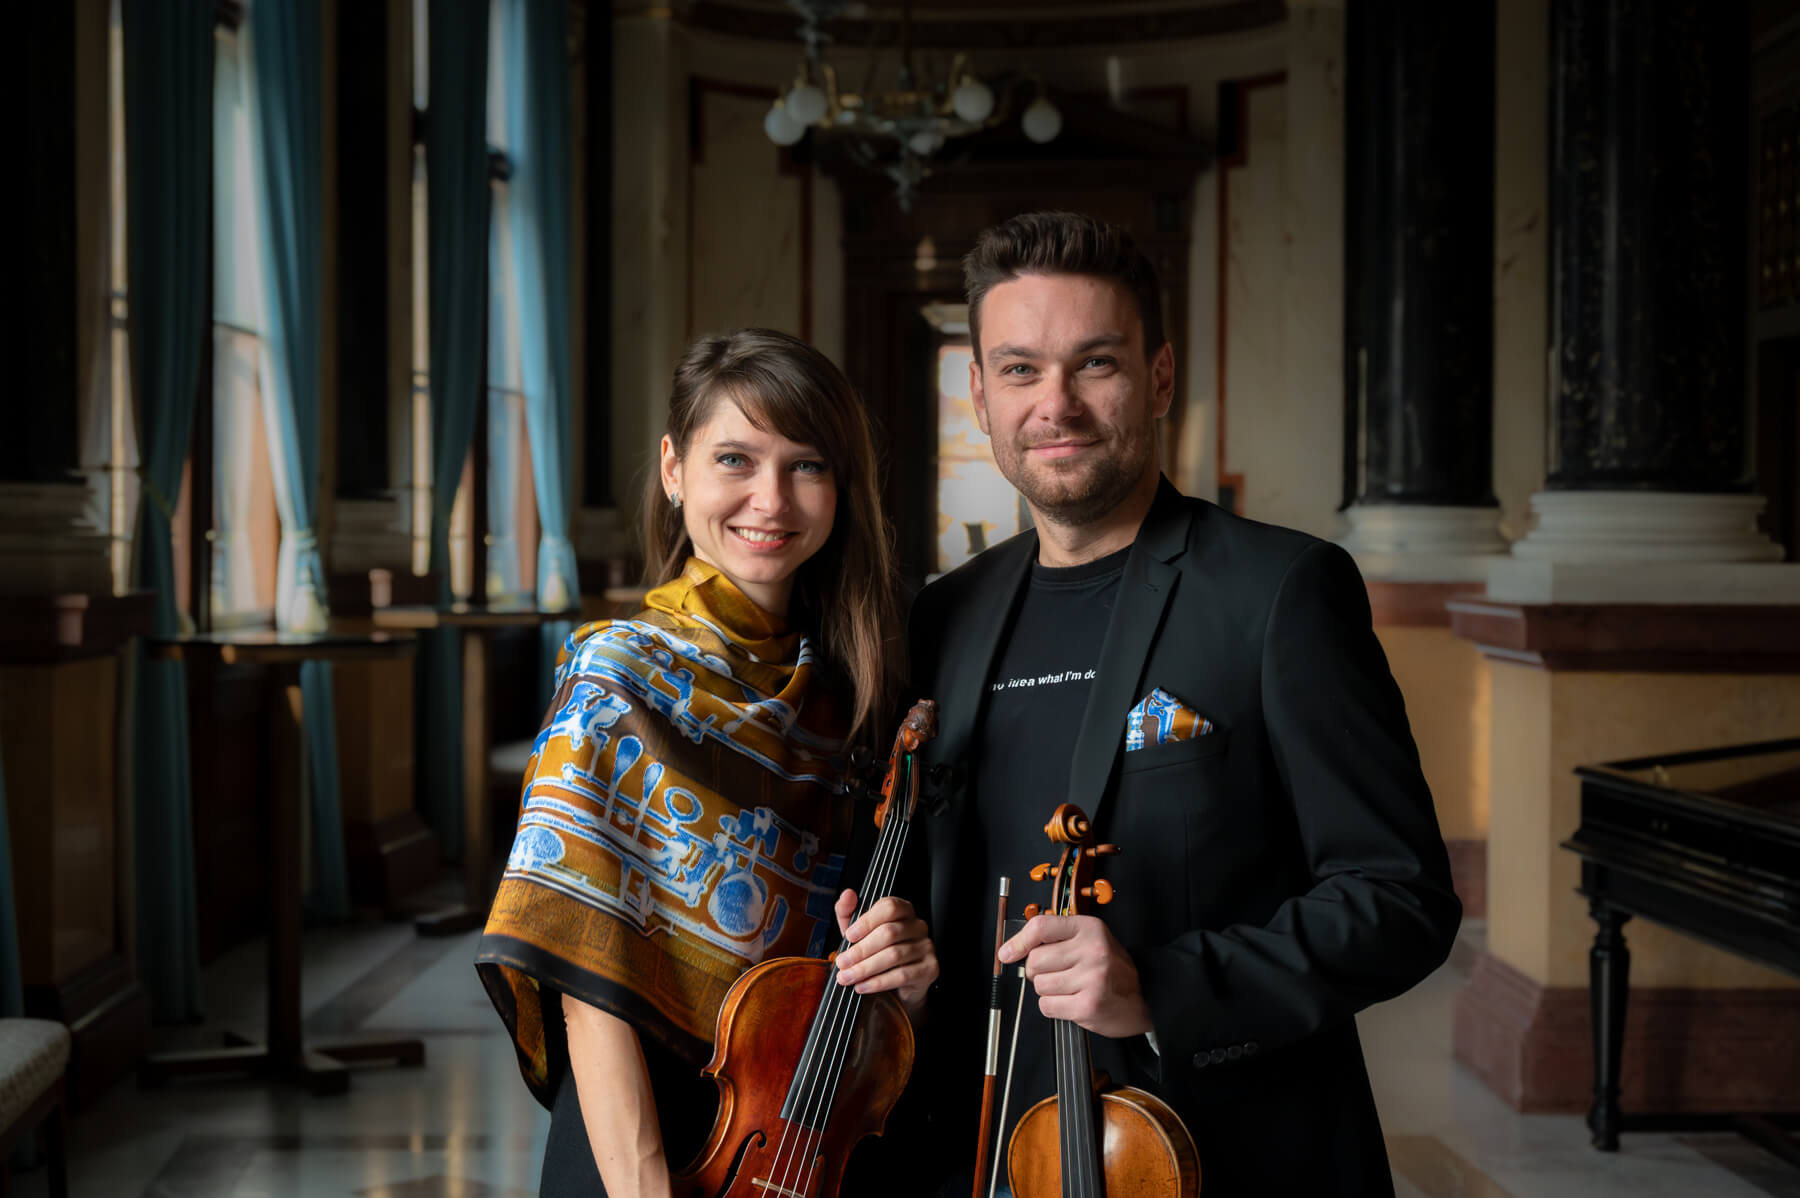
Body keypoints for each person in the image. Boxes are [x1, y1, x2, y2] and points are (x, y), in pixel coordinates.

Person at [905, 212, 1463, 1196]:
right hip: (986, 1151)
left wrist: (1164, 988)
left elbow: (1399, 898)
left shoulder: (1279, 591)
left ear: (1159, 378)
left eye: (1097, 363)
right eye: (1022, 370)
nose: (1057, 404)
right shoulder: (943, 616)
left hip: (1218, 1155)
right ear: (981, 395)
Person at [477, 328, 939, 1197]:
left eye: (807, 466)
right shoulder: (616, 678)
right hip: (643, 1146)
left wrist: (904, 972)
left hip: (803, 1137)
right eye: (735, 459)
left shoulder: (860, 695)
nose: (772, 499)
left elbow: (859, 975)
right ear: (674, 469)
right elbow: (587, 983)